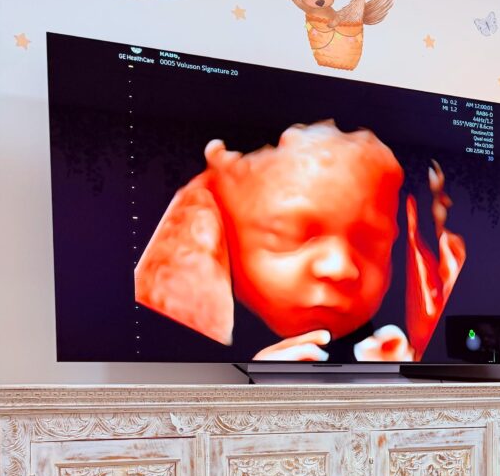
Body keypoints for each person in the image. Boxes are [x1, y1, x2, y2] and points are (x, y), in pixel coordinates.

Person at [135, 121, 465, 362]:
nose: (339, 268)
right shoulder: (159, 344)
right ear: (218, 225)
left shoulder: (388, 347)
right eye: (291, 234)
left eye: (370, 242)